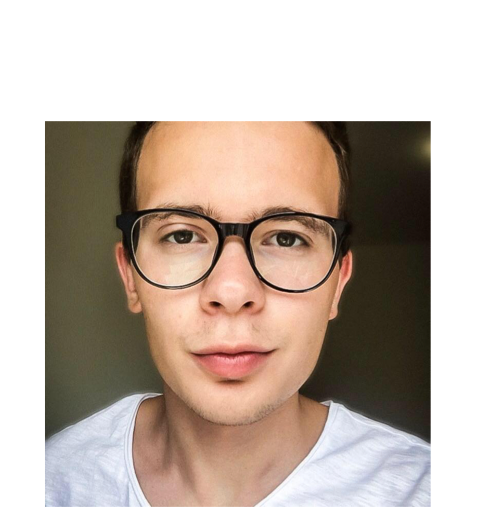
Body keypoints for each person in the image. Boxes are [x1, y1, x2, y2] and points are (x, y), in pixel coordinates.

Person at [45, 121, 430, 506]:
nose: (231, 291)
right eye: (182, 235)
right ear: (130, 275)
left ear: (338, 283)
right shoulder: (51, 484)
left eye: (286, 238)